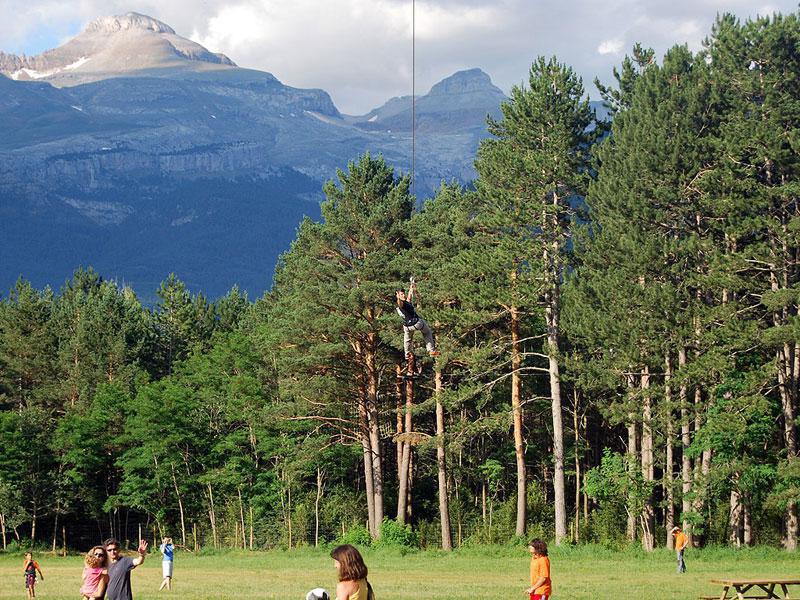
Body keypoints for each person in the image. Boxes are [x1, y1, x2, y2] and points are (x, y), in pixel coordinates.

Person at [395, 281, 439, 360]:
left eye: (403, 293)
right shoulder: (401, 304)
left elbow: (408, 298)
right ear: (398, 295)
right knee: (427, 332)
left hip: (407, 326)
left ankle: (407, 354)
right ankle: (431, 350)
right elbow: (400, 303)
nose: (403, 295)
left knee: (407, 340)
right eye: (401, 294)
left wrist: (411, 288)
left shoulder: (404, 303)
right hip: (416, 323)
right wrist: (398, 296)